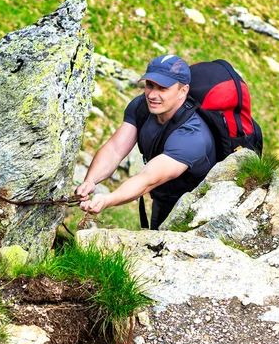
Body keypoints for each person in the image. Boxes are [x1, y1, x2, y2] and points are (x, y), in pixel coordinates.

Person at [77, 55, 217, 230]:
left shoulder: (192, 135)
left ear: (183, 91)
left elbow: (148, 179)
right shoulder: (142, 107)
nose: (152, 94)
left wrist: (108, 199)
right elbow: (115, 149)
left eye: (162, 88)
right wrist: (91, 181)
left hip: (194, 209)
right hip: (162, 197)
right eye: (149, 85)